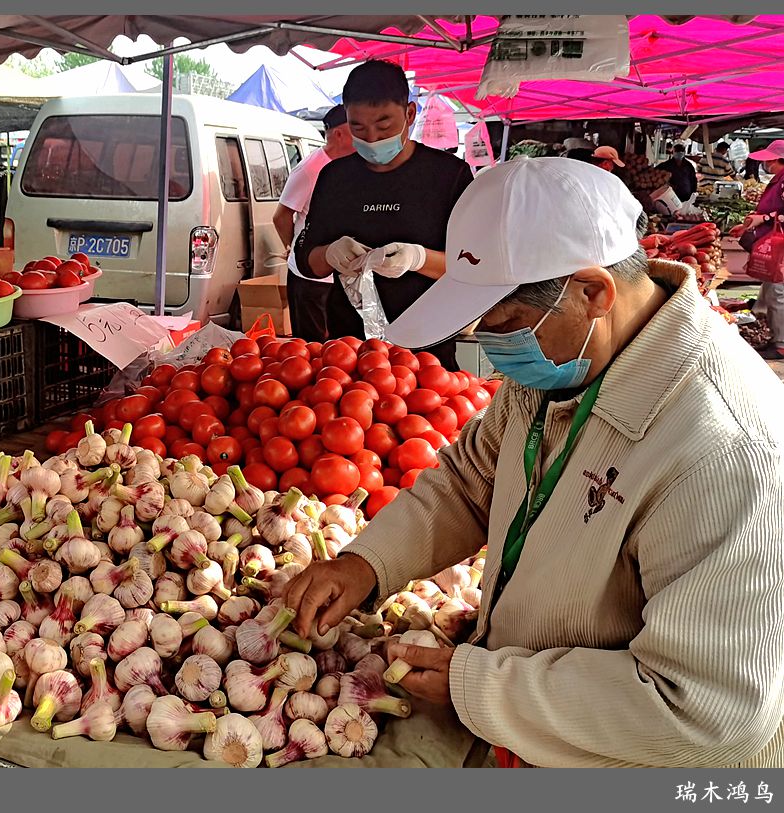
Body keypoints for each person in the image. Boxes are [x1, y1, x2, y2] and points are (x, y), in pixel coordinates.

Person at [285, 157, 784, 769]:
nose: (493, 347)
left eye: (508, 324)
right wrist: (368, 564)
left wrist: (485, 689)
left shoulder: (721, 447)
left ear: (594, 292)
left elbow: (705, 711)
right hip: (541, 733)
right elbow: (471, 482)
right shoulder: (564, 365)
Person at [294, 60, 472, 370]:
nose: (373, 138)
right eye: (358, 128)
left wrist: (418, 258)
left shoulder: (449, 176)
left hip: (429, 353)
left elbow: (474, 264)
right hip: (349, 353)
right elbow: (306, 260)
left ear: (410, 114)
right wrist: (331, 254)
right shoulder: (334, 178)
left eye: (384, 125)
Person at [273, 106, 354, 342]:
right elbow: (281, 216)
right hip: (309, 278)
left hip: (339, 276)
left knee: (339, 346)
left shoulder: (348, 167)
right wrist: (294, 247)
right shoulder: (309, 170)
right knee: (311, 346)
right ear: (339, 134)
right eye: (356, 129)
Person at [731, 139, 784, 360]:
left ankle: (781, 344)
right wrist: (751, 222)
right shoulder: (778, 180)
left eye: (771, 159)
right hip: (774, 244)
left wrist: (762, 218)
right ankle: (768, 329)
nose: (768, 163)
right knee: (771, 289)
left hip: (780, 246)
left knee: (779, 293)